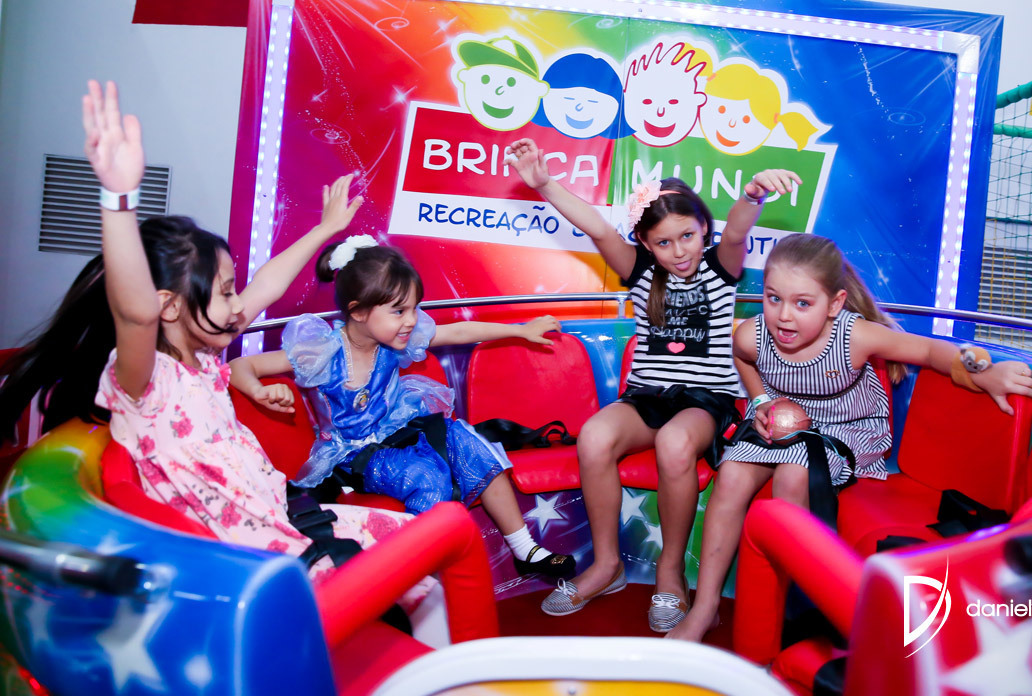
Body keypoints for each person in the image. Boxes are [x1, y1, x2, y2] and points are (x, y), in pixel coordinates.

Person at [53, 80, 446, 644]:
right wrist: (118, 198)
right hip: (252, 559)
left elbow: (266, 285)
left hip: (283, 516)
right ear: (169, 307)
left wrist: (326, 230)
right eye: (225, 291)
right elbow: (134, 314)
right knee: (411, 575)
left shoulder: (206, 355)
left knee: (423, 554)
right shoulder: (144, 382)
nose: (239, 304)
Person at [666, 233, 1032, 642]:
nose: (784, 316)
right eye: (773, 298)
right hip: (784, 422)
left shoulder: (853, 336)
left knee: (794, 472)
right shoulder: (751, 336)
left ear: (835, 304)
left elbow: (930, 351)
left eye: (802, 303)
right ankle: (705, 608)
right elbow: (743, 358)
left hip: (847, 429)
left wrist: (986, 373)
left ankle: (788, 612)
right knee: (732, 474)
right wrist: (760, 401)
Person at [506, 136, 803, 632]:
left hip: (705, 402)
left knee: (675, 442)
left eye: (687, 236)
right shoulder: (640, 270)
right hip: (645, 397)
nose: (679, 251)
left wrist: (753, 194)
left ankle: (670, 570)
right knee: (594, 436)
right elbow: (597, 227)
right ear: (646, 244)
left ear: (703, 229)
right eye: (664, 242)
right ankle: (607, 566)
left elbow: (736, 231)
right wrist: (544, 185)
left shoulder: (720, 266)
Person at [228, 239, 577, 579]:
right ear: (358, 311)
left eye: (413, 308)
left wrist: (521, 331)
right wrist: (260, 390)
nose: (411, 320)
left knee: (471, 442)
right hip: (355, 454)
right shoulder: (323, 351)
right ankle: (417, 575)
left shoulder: (396, 340)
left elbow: (458, 331)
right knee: (427, 477)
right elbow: (240, 366)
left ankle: (524, 548)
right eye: (399, 311)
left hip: (401, 428)